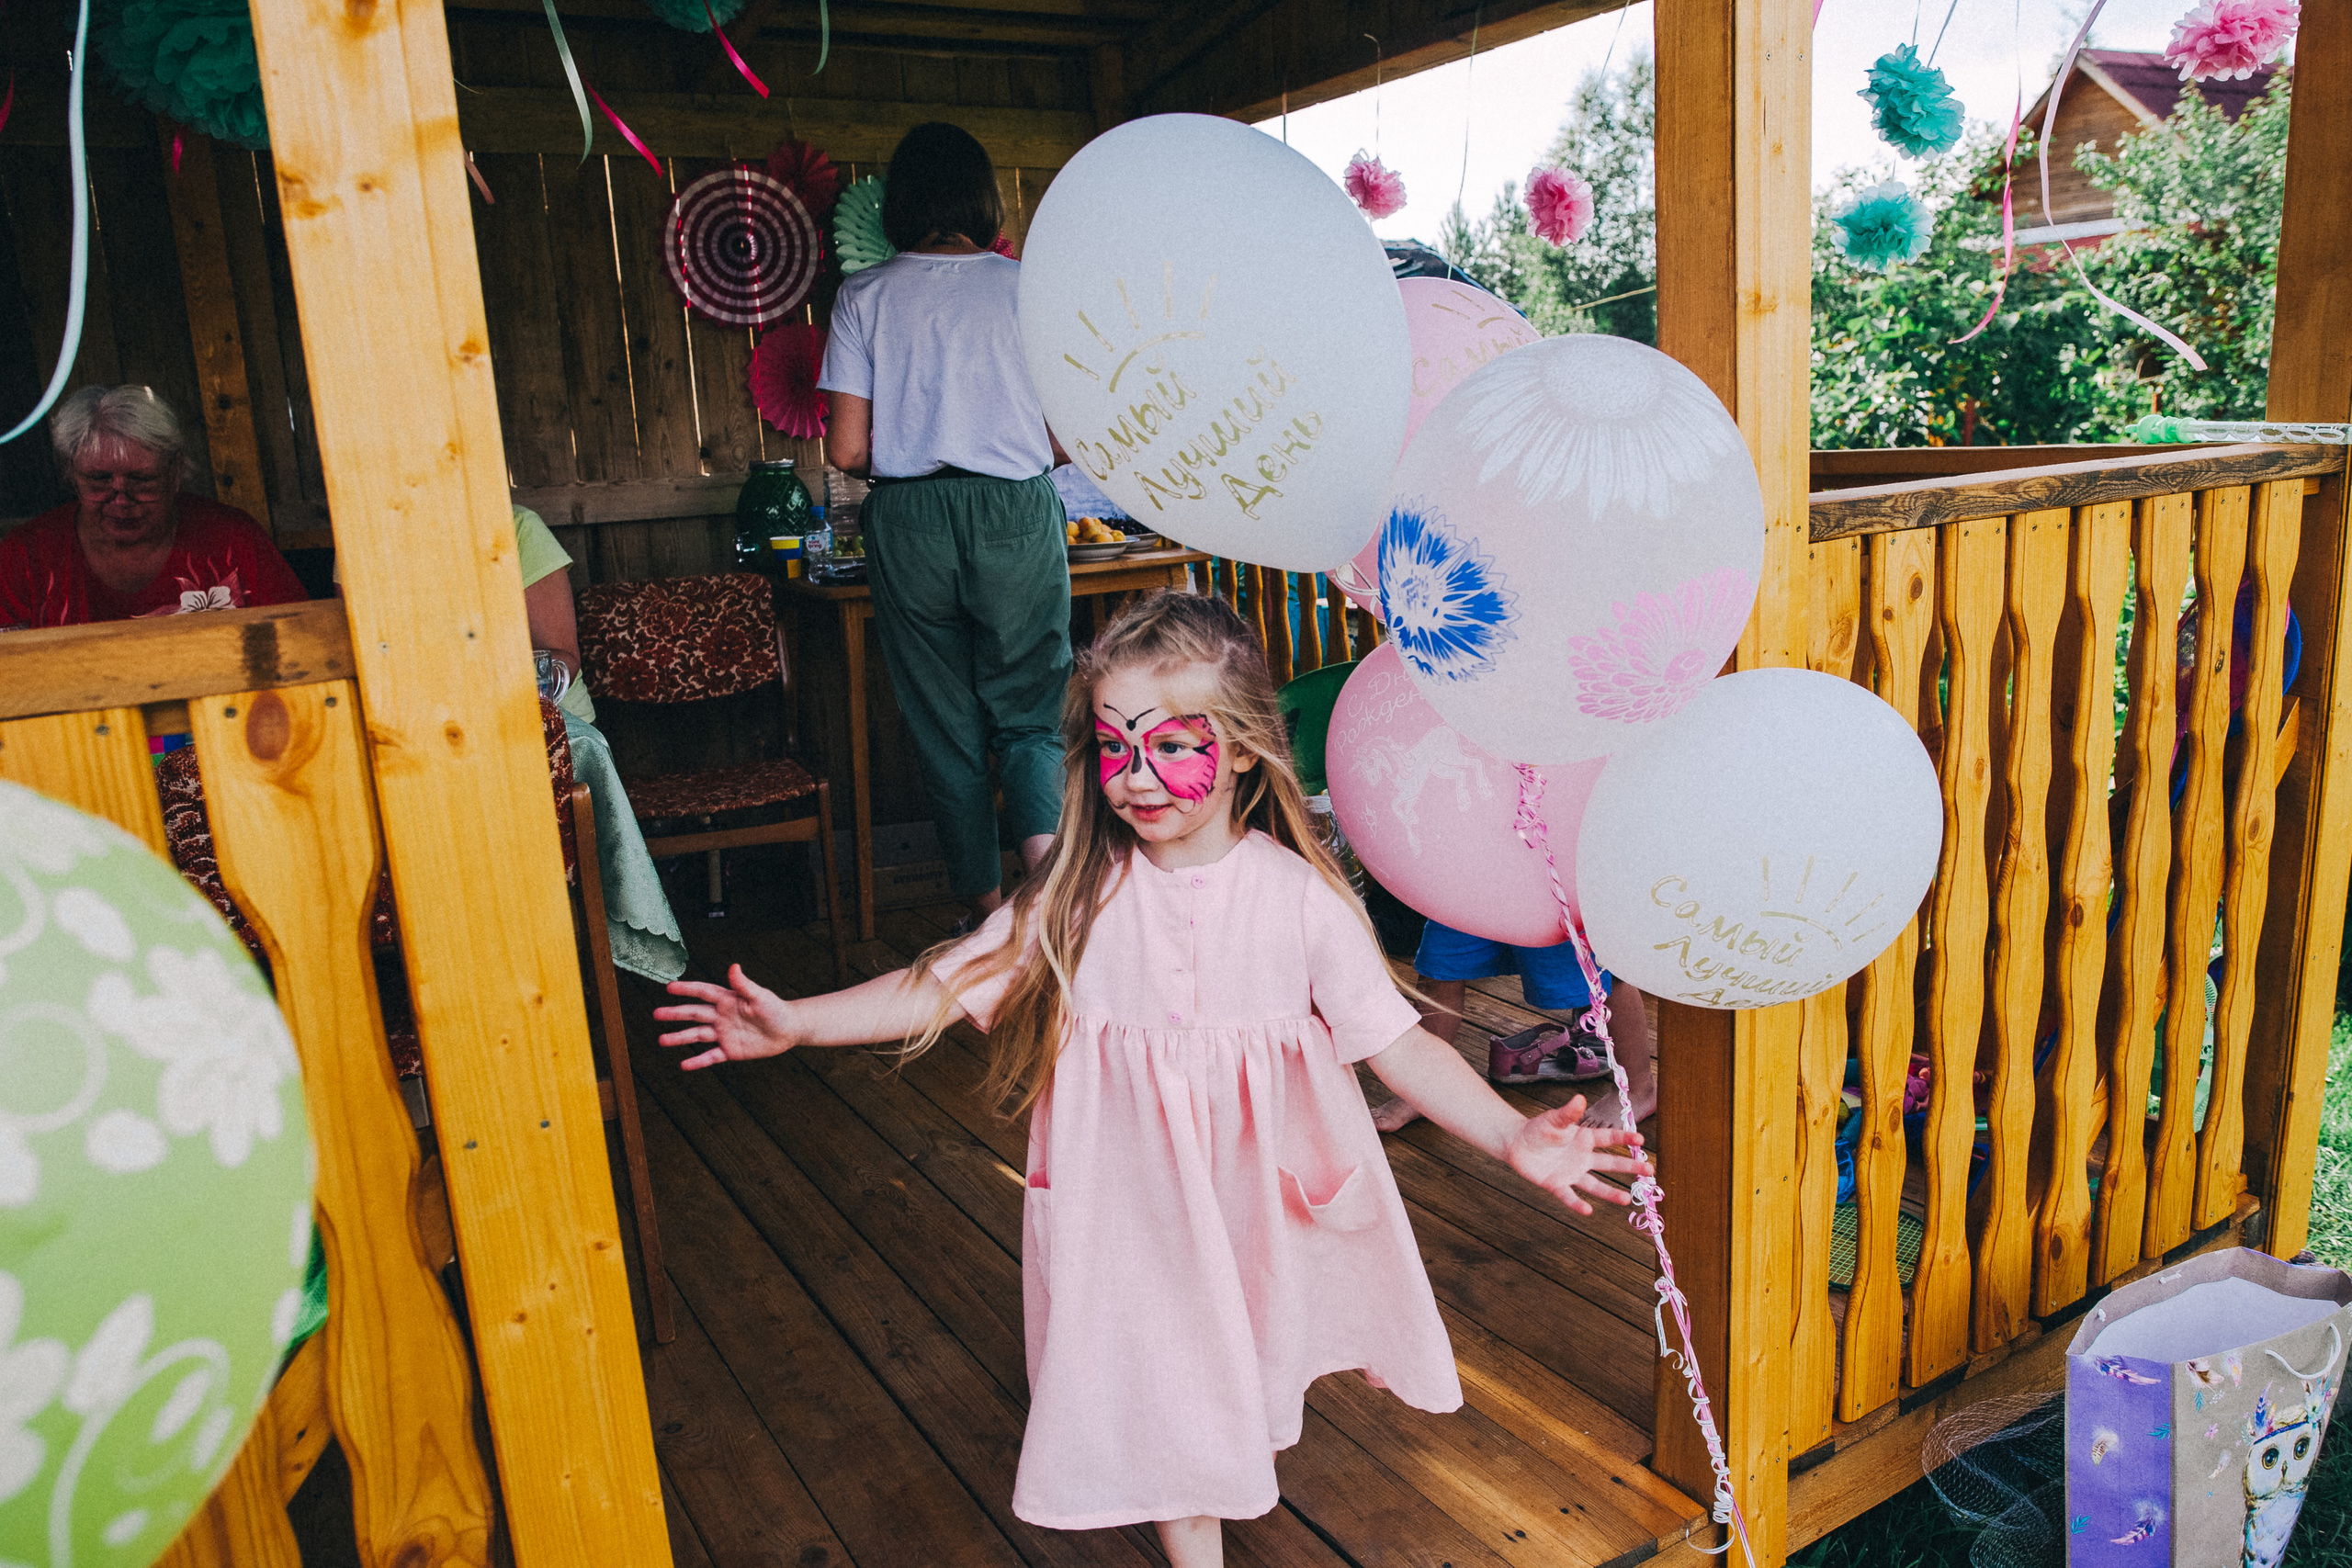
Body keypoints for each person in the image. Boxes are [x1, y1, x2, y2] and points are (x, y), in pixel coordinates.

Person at [653, 592, 1650, 1568]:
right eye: (1114, 745)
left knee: (1241, 1387)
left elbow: (1401, 1045)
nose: (1136, 776)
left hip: (1261, 1209)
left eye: (1171, 744)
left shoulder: (1298, 899)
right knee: (1177, 1410)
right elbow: (942, 984)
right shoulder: (1076, 895)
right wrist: (801, 1022)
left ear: (1244, 747)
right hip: (1131, 1212)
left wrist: (1509, 1134)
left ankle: (1226, 1460)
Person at [820, 120, 1069, 924]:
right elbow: (1066, 438)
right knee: (1031, 714)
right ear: (982, 199)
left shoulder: (864, 296)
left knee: (944, 724)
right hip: (1015, 509)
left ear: (900, 204)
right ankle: (1050, 903)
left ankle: (988, 917)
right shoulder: (1028, 288)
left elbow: (847, 449)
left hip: (909, 518)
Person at [0, 385, 306, 626]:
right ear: (72, 475)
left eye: (142, 480)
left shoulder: (233, 539)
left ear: (175, 472)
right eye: (99, 480)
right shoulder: (25, 555)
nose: (121, 500)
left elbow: (300, 633)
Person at [1369, 922, 1658, 1134]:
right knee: (1440, 966)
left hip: (1547, 876)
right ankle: (1422, 1089)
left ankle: (1638, 1088)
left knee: (1599, 974)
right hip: (1468, 878)